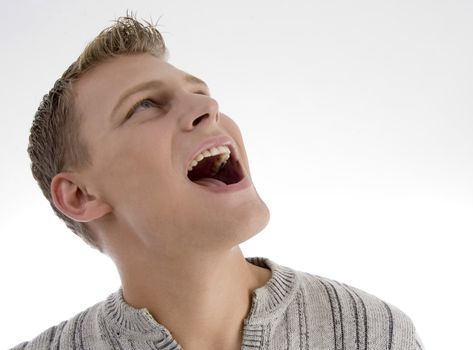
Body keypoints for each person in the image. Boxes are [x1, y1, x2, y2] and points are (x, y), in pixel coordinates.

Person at [12, 14, 424, 350]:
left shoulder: (371, 334)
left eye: (200, 92)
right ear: (81, 195)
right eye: (145, 105)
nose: (207, 107)